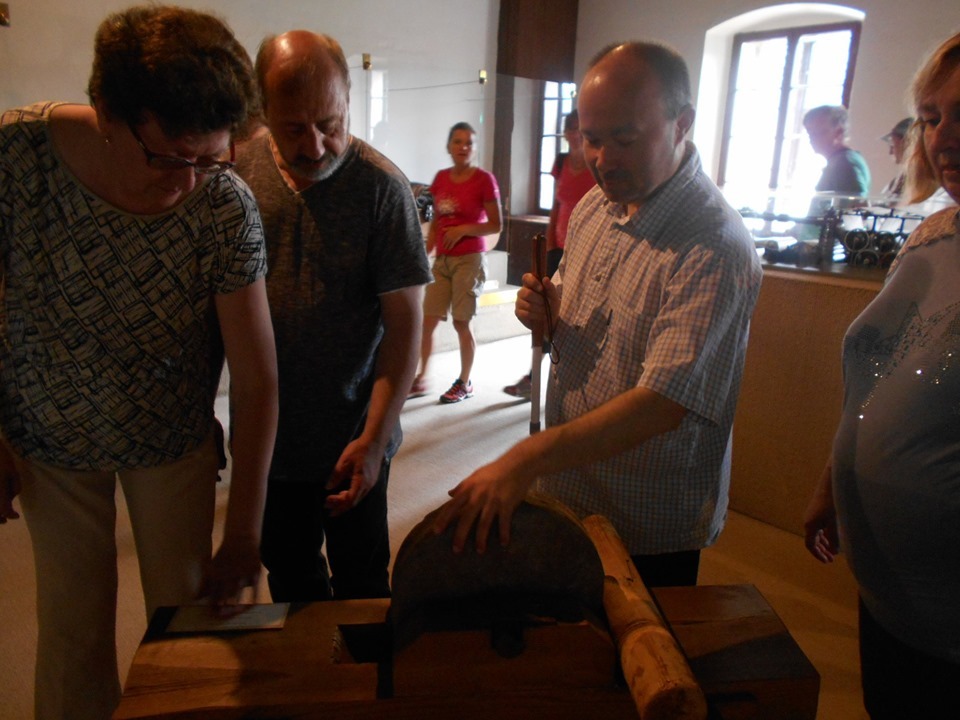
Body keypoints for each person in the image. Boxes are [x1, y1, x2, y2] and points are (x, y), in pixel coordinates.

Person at [0, 6, 279, 719]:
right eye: (167, 159)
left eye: (208, 160)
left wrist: (244, 533)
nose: (187, 183)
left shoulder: (224, 204)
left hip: (170, 439)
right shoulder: (17, 155)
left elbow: (256, 379)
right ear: (106, 112)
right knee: (72, 631)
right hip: (49, 436)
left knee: (187, 626)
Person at [433, 41, 763, 588]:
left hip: (647, 518)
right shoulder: (595, 204)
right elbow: (570, 305)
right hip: (571, 489)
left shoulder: (714, 246)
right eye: (591, 139)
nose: (604, 159)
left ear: (682, 124)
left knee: (642, 634)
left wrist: (526, 457)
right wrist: (545, 312)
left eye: (625, 140)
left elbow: (661, 403)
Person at [234, 31, 431, 602]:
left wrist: (374, 439)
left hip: (354, 436)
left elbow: (404, 329)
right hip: (269, 442)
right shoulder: (238, 179)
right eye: (295, 129)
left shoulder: (382, 188)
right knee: (291, 581)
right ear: (264, 112)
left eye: (331, 123)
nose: (317, 146)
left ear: (348, 96)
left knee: (363, 585)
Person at [803, 31, 960, 719]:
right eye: (932, 116)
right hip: (886, 594)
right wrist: (833, 481)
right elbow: (875, 377)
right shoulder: (932, 236)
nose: (943, 136)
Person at [503, 109, 596, 400]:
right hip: (559, 246)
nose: (574, 134)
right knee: (545, 310)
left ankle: (544, 375)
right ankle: (534, 375)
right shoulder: (562, 162)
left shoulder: (595, 165)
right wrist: (550, 240)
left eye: (579, 129)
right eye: (570, 128)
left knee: (570, 314)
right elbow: (557, 204)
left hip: (586, 248)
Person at [409, 122, 502, 404]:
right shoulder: (441, 178)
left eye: (469, 143)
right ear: (449, 146)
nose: (464, 147)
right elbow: (437, 221)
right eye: (458, 142)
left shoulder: (484, 180)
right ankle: (422, 377)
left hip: (470, 259)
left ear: (474, 148)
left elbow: (496, 225)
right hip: (443, 261)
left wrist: (463, 230)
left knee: (462, 323)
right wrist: (426, 254)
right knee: (428, 321)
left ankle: (465, 382)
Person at [878, 116, 913, 205]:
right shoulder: (898, 180)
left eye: (893, 145)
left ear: (907, 144)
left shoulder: (922, 182)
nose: (890, 152)